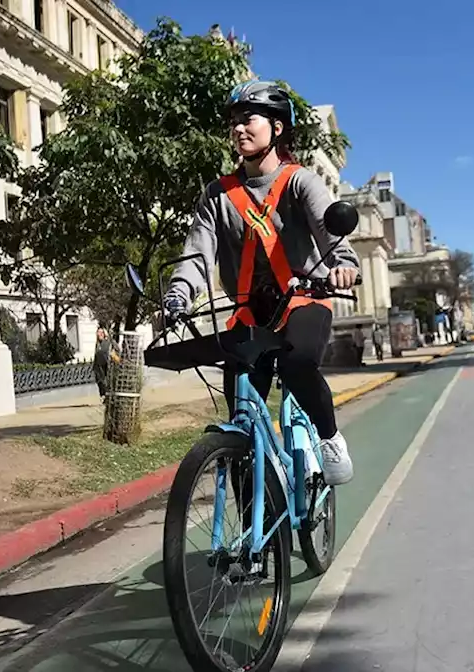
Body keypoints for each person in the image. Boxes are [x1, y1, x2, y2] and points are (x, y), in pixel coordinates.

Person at [162, 80, 360, 486]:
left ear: (277, 127)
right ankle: (250, 541)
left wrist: (343, 265)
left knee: (298, 361)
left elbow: (330, 229)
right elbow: (197, 255)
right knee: (240, 421)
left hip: (305, 300)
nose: (238, 129)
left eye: (248, 119)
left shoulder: (301, 181)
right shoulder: (217, 196)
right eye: (233, 122)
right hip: (250, 313)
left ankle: (329, 437)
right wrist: (177, 296)